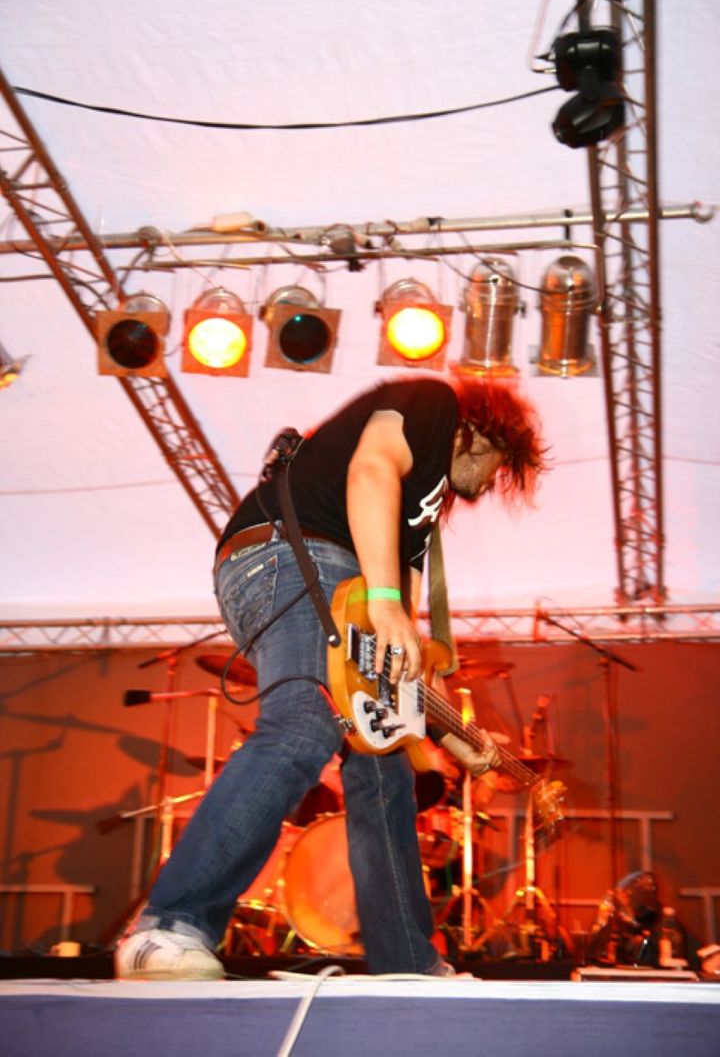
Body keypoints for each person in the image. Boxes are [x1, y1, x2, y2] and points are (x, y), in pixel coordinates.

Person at [115, 373, 547, 980]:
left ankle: (407, 964)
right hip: (295, 558)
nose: (496, 480)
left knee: (383, 764)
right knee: (304, 723)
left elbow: (408, 651)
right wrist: (385, 599)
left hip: (319, 575)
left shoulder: (417, 515)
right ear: (485, 432)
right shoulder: (435, 405)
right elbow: (371, 469)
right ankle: (168, 926)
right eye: (503, 463)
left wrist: (458, 740)